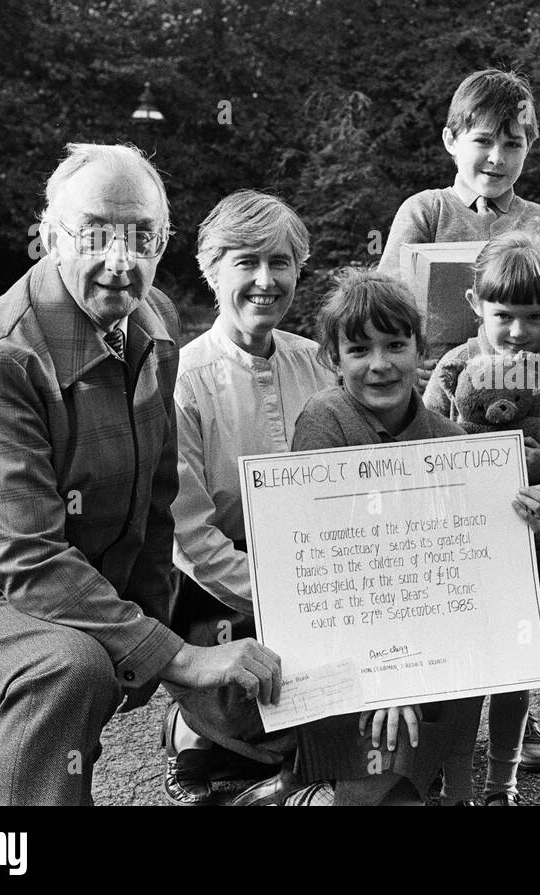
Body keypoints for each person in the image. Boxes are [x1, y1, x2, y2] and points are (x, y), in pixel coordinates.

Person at [0, 143, 279, 806]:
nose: (120, 261)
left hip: (65, 574)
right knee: (73, 666)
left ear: (164, 240)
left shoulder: (155, 323)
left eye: (142, 236)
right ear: (51, 236)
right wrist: (174, 654)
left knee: (89, 688)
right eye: (95, 232)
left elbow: (155, 499)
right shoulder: (1, 358)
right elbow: (26, 557)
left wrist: (151, 626)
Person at [289, 269, 540, 805]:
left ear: (419, 348)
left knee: (448, 735)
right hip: (350, 646)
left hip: (433, 649)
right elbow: (331, 569)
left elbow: (479, 565)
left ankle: (449, 783)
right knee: (385, 788)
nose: (381, 363)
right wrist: (387, 678)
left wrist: (535, 526)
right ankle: (303, 793)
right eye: (359, 349)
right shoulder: (326, 421)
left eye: (395, 344)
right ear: (333, 360)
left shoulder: (449, 439)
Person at [164, 190, 336, 805]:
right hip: (218, 583)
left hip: (316, 563)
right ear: (212, 271)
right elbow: (190, 537)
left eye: (282, 262)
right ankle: (199, 723)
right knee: (266, 693)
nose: (266, 280)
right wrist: (281, 594)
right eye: (246, 262)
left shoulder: (319, 364)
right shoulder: (182, 381)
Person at [423, 232, 540, 800]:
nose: (518, 332)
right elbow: (427, 441)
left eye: (534, 317)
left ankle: (502, 780)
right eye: (503, 315)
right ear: (474, 306)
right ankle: (451, 768)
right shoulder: (454, 365)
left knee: (519, 660)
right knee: (460, 664)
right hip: (462, 543)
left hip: (528, 543)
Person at [377, 68, 540, 277]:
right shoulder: (425, 212)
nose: (497, 158)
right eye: (483, 141)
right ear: (451, 141)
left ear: (528, 148)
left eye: (513, 145)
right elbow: (387, 301)